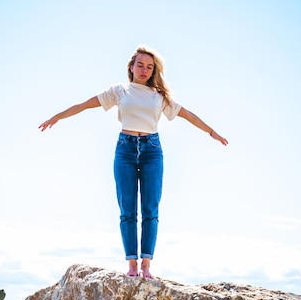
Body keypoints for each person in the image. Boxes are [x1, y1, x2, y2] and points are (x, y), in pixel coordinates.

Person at [39, 45, 228, 278]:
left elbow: (188, 115)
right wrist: (56, 117)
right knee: (127, 209)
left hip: (152, 150)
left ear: (153, 70)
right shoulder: (120, 91)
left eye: (149, 67)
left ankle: (146, 264)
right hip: (125, 150)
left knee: (150, 208)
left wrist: (212, 132)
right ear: (131, 66)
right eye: (140, 65)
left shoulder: (160, 96)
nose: (144, 70)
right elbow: (84, 105)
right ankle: (131, 265)